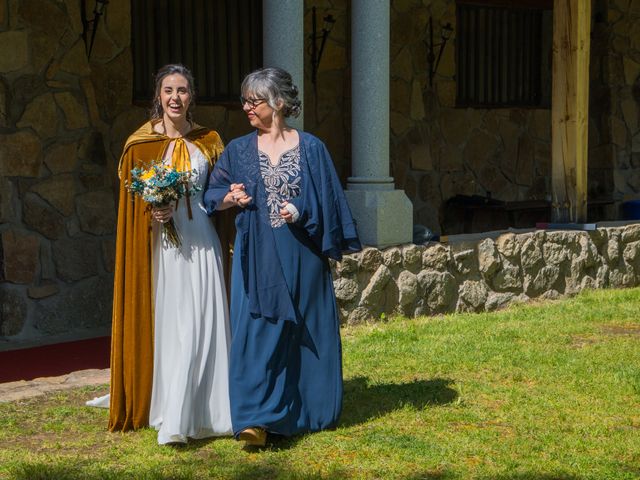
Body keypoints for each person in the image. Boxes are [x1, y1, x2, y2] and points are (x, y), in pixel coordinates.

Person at [204, 67, 362, 447]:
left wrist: (300, 210)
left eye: (253, 100)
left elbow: (327, 200)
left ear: (277, 103)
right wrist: (231, 198)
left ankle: (306, 411)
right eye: (244, 100)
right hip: (255, 253)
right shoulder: (239, 150)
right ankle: (254, 418)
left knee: (302, 330)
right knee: (256, 328)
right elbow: (212, 194)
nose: (246, 107)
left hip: (302, 251)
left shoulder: (311, 148)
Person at [105, 64, 233, 444]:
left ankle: (207, 407)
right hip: (164, 248)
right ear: (157, 97)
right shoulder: (139, 145)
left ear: (192, 96)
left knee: (204, 320)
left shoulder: (209, 140)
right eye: (168, 91)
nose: (175, 97)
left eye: (182, 90)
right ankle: (173, 411)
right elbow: (131, 206)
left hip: (203, 241)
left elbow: (217, 191)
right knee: (175, 325)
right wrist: (154, 210)